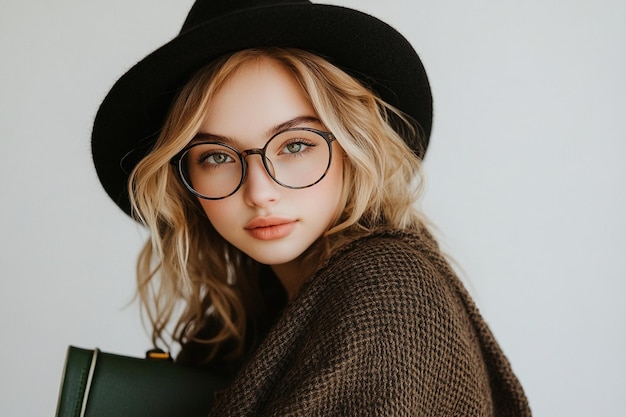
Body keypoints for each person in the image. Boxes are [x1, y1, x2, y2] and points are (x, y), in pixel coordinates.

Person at [92, 0, 531, 415]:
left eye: (296, 144)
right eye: (217, 156)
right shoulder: (248, 317)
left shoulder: (385, 290)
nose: (260, 192)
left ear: (353, 146)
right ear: (183, 178)